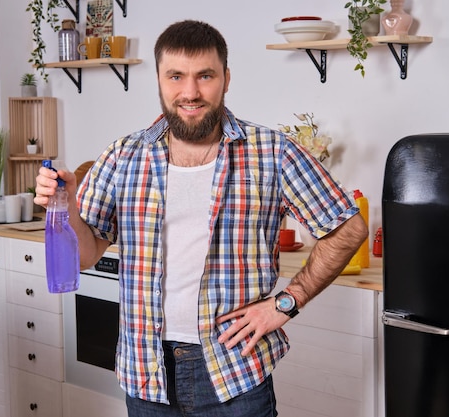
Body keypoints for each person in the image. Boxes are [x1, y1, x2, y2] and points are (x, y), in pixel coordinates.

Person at [35, 19, 368, 417]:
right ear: (159, 80)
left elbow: (349, 228)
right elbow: (85, 255)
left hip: (235, 374)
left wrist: (286, 302)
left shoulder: (272, 152)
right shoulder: (122, 156)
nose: (190, 92)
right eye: (175, 76)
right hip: (147, 374)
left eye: (204, 76)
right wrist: (67, 204)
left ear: (226, 79)